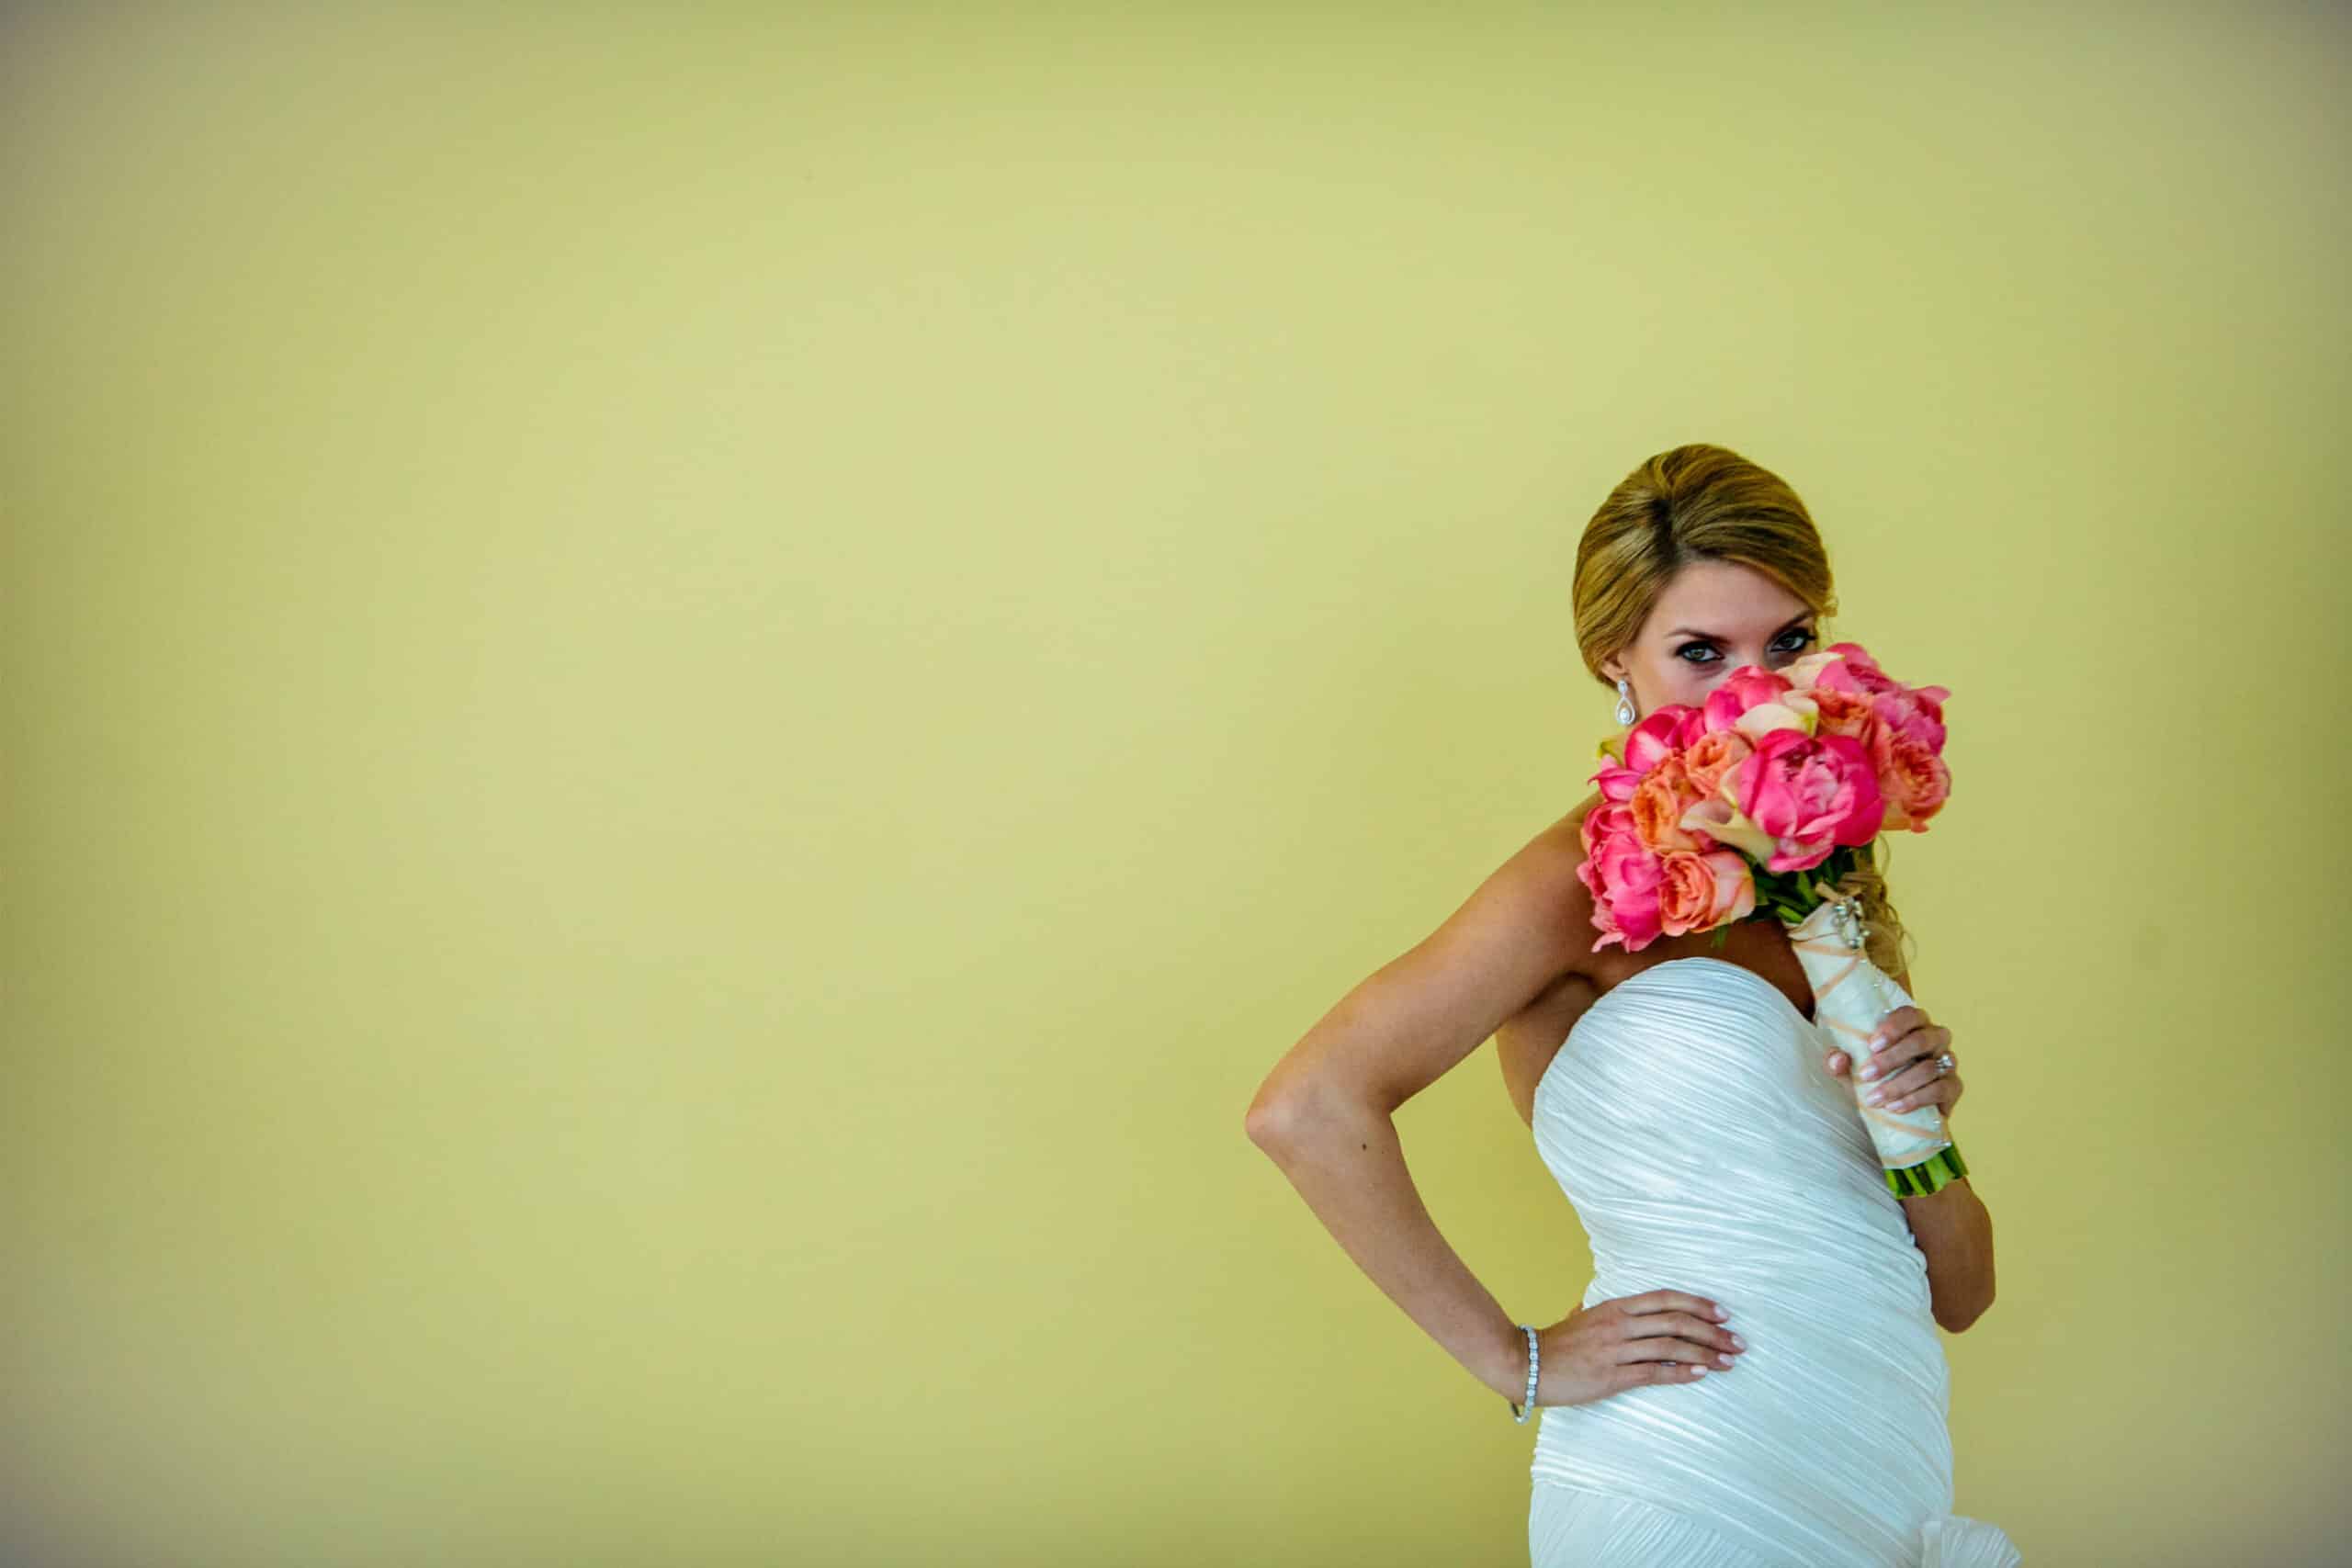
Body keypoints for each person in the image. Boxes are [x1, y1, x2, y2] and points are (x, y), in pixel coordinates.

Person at [1243, 444, 2019, 1566]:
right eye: (1700, 652)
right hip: (1691, 1471)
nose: (1754, 693)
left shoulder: (1829, 886)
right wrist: (1519, 1361)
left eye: (1788, 644)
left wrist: (1918, 1127)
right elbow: (1305, 1107)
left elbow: (1965, 1292)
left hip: (1878, 1457)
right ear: (1619, 664)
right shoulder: (1577, 884)